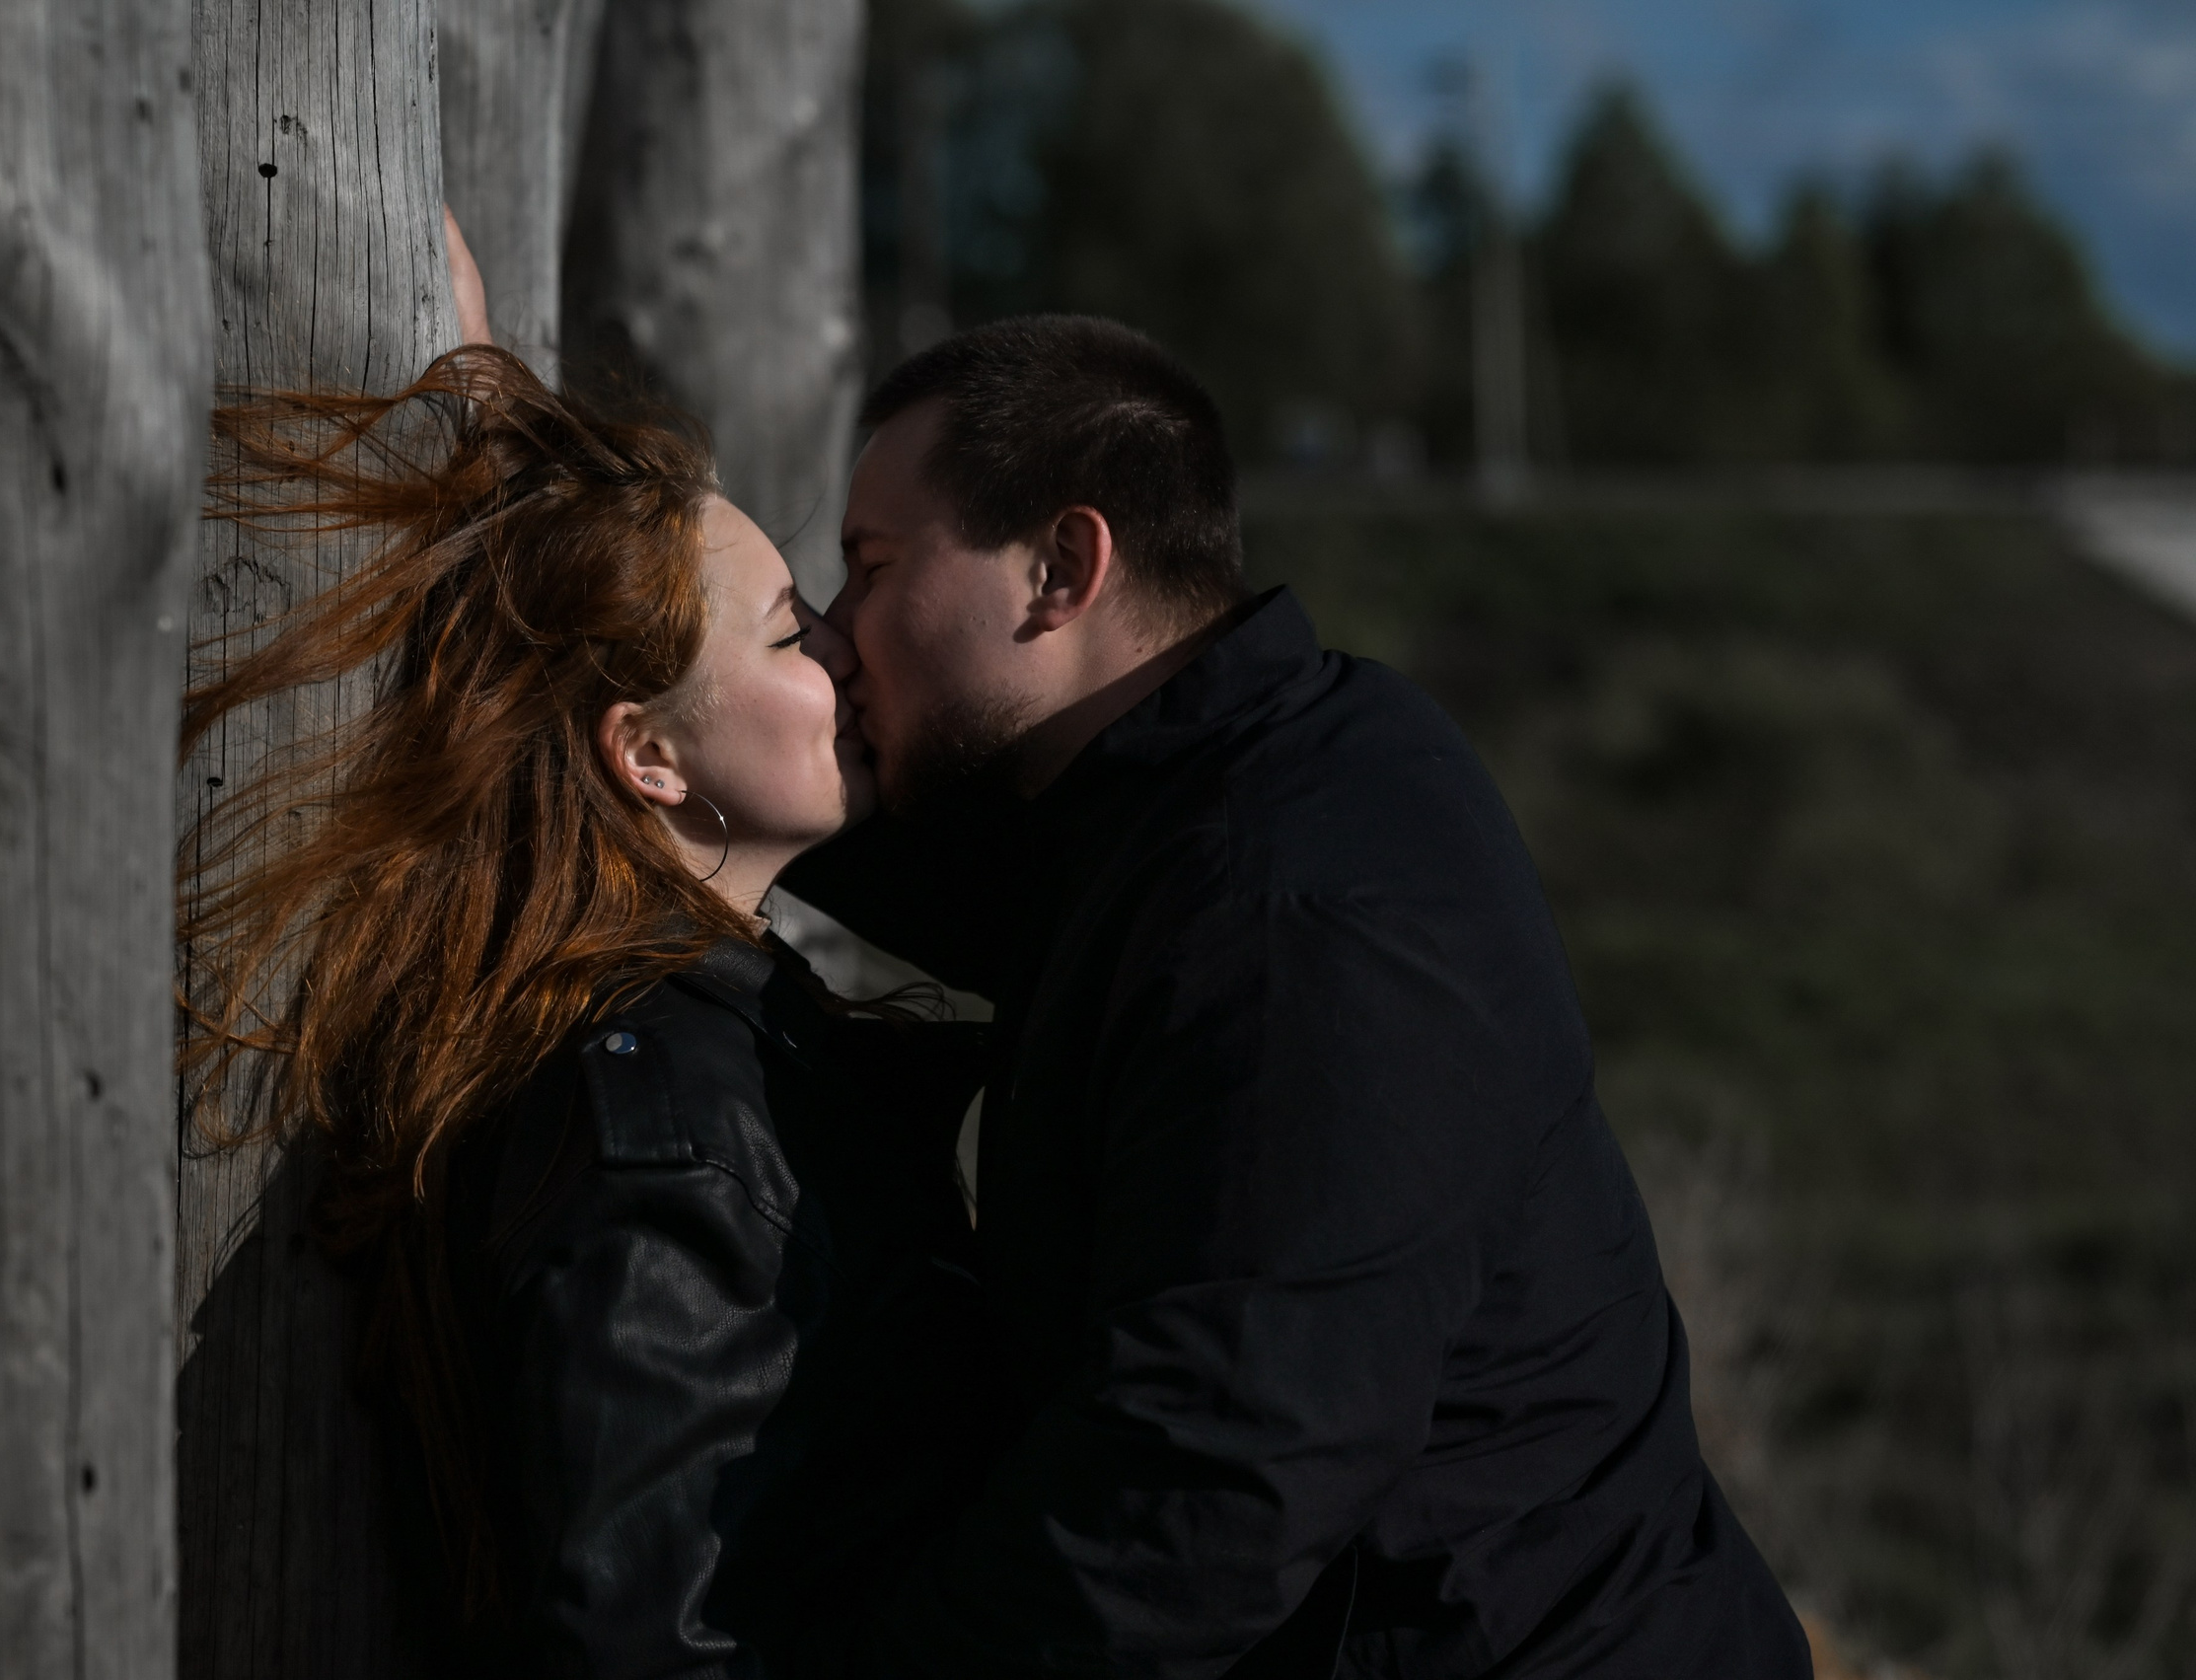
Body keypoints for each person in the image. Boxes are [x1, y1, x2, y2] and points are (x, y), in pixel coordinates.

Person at [778, 315, 1814, 1678]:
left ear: (1061, 569)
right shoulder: (1213, 789)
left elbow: (1198, 1496)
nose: (839, 640)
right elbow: (947, 867)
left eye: (870, 570)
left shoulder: (1298, 916)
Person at [178, 344, 995, 1674]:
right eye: (794, 633)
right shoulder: (666, 1123)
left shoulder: (698, 1044)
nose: (847, 649)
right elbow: (642, 1637)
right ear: (649, 755)